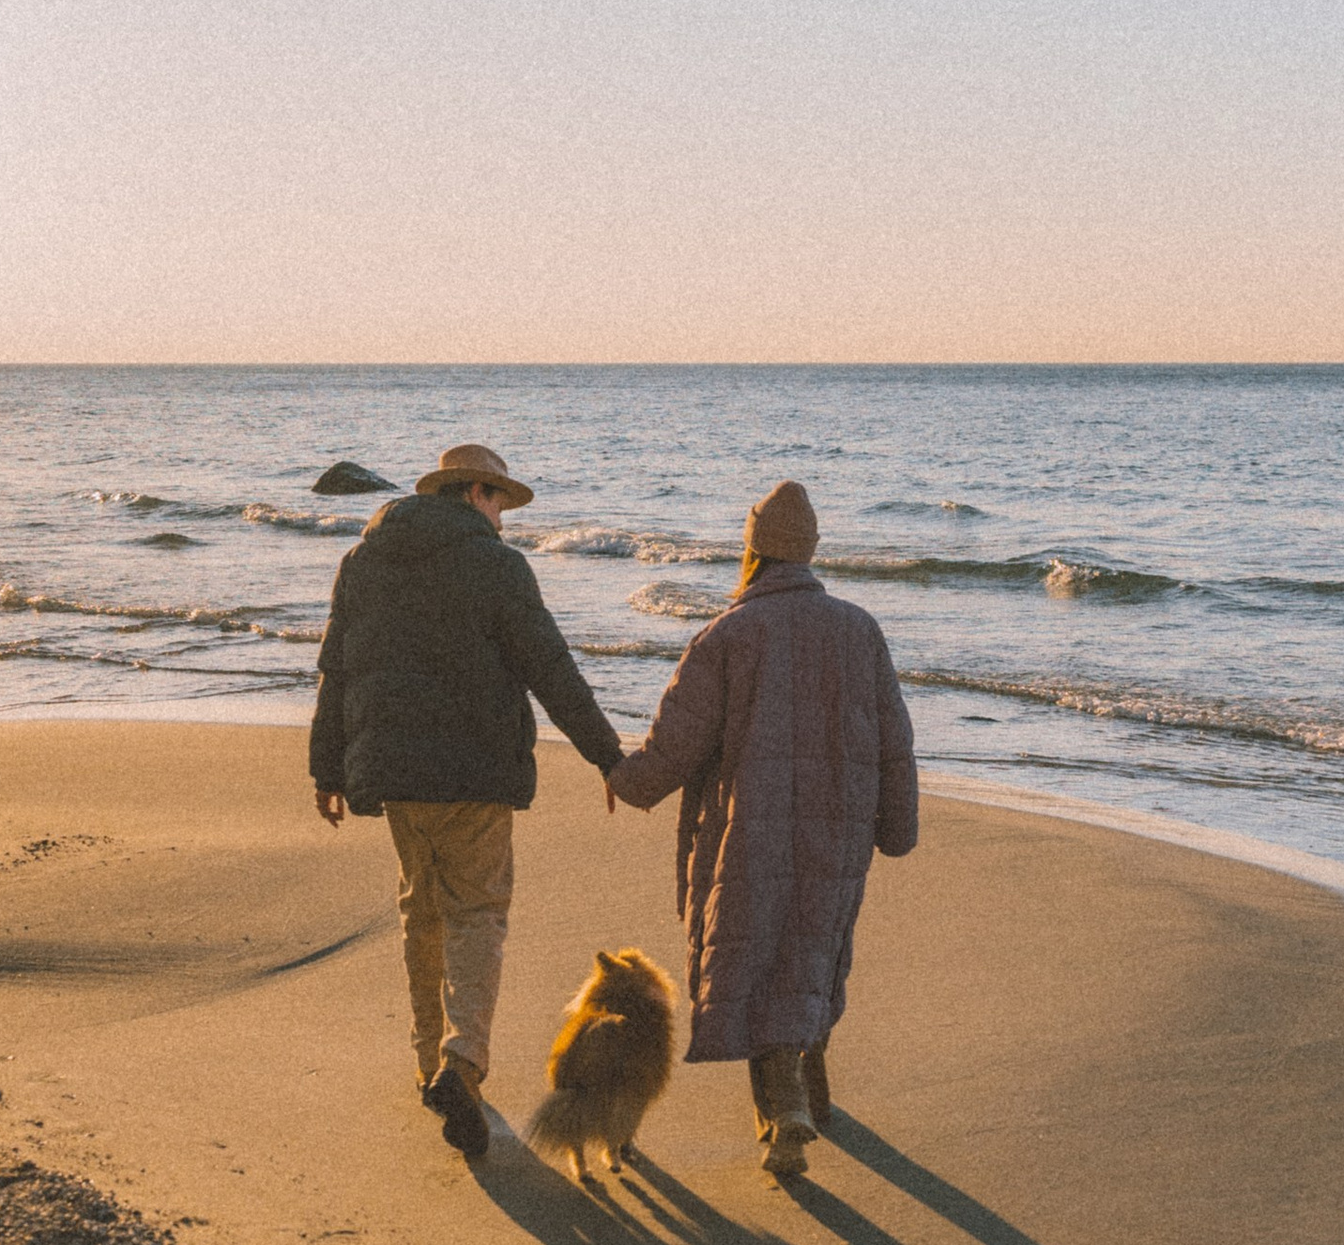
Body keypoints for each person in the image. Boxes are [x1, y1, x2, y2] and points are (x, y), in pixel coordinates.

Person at [311, 440, 624, 1160]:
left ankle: (429, 1063)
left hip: (393, 772)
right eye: (500, 502)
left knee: (420, 910)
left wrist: (325, 770)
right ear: (476, 493)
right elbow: (550, 667)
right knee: (476, 914)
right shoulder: (496, 565)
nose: (504, 518)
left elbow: (336, 669)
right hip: (475, 773)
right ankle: (463, 1061)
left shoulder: (363, 560)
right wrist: (608, 757)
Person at [608, 480, 917, 1180]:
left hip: (749, 828)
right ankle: (812, 1089)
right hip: (840, 827)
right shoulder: (859, 629)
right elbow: (896, 741)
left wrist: (626, 781)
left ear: (752, 550)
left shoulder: (729, 634)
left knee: (756, 956)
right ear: (808, 550)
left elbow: (676, 744)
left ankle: (785, 1116)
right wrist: (898, 826)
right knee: (813, 949)